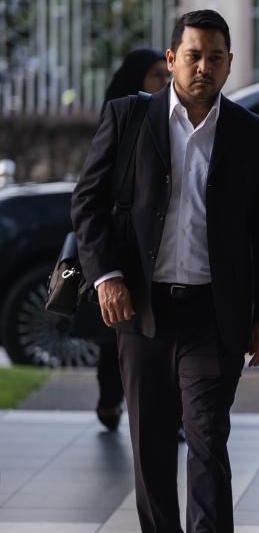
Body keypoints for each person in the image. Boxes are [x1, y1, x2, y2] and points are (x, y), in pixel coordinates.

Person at [71, 10, 259, 533]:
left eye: (216, 57)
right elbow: (86, 205)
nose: (204, 67)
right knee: (151, 437)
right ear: (171, 60)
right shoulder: (129, 117)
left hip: (213, 313)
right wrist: (107, 276)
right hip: (140, 307)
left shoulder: (251, 133)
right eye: (193, 56)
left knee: (208, 436)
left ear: (230, 64)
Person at [75, 48, 171, 432]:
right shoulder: (123, 116)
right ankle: (110, 400)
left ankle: (165, 416)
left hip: (159, 256)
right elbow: (90, 195)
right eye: (155, 75)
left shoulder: (175, 122)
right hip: (120, 251)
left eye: (167, 75)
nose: (164, 83)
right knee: (112, 337)